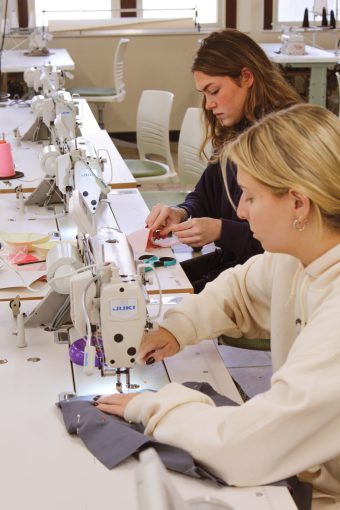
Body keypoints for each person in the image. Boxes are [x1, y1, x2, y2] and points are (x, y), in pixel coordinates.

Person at [95, 104, 340, 509]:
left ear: (299, 203)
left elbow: (247, 448)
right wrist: (175, 329)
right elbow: (240, 290)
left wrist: (153, 406)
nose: (241, 211)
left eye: (251, 196)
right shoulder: (300, 255)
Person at [146, 29, 301, 293]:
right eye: (204, 94)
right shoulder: (238, 129)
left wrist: (221, 230)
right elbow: (206, 192)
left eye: (214, 91)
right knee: (152, 286)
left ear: (247, 77)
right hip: (233, 263)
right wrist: (181, 212)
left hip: (264, 277)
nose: (208, 105)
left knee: (161, 303)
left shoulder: (284, 139)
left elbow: (286, 242)